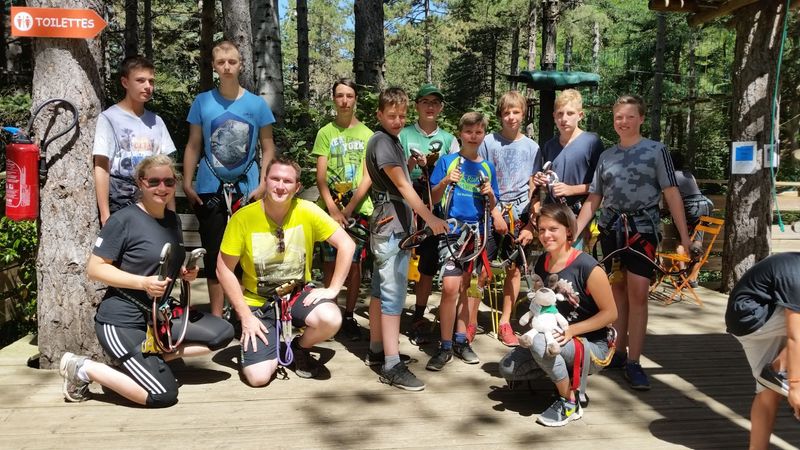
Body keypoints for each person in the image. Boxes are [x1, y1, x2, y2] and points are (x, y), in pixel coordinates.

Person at [59, 155, 234, 407]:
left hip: (158, 317)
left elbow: (163, 261)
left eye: (168, 182)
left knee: (222, 332)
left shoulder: (172, 220)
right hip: (123, 320)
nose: (162, 188)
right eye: (154, 182)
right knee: (162, 395)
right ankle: (83, 368)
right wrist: (143, 283)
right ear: (141, 183)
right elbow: (94, 269)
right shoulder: (123, 220)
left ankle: (148, 357)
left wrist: (184, 271)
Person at [575, 95, 691, 391]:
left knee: (638, 293)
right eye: (618, 117)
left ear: (640, 118)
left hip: (642, 230)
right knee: (616, 292)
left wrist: (684, 237)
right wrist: (573, 232)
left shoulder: (656, 151)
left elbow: (672, 193)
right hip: (612, 230)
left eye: (629, 117)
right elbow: (595, 197)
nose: (623, 122)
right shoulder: (607, 156)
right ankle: (618, 351)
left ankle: (635, 361)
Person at [216, 157, 355, 386]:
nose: (280, 186)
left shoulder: (307, 210)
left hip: (297, 296)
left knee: (331, 318)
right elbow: (223, 269)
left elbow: (347, 245)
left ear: (297, 187)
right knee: (258, 378)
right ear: (265, 181)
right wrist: (245, 316)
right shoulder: (244, 217)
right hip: (258, 302)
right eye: (275, 179)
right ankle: (270, 345)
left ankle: (300, 347)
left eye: (287, 181)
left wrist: (333, 289)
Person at [360, 87, 448, 391]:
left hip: (389, 224)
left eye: (401, 116)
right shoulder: (383, 142)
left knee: (379, 290)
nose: (397, 121)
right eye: (391, 116)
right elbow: (402, 187)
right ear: (379, 115)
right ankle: (392, 363)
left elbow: (395, 178)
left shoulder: (390, 141)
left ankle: (377, 349)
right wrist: (430, 217)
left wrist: (409, 165)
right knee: (393, 294)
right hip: (391, 228)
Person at [499, 203, 617, 426]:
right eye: (542, 229)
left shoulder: (587, 267)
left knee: (539, 344)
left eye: (553, 229)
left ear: (568, 231)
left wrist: (572, 330)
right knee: (507, 367)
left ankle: (569, 401)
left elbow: (611, 314)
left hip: (591, 344)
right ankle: (562, 373)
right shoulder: (542, 264)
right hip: (555, 338)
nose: (546, 235)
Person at [183, 40, 277, 318]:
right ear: (214, 66)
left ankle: (244, 313)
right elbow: (193, 144)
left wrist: (263, 183)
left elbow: (268, 146)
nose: (227, 67)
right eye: (221, 62)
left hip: (247, 188)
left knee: (247, 251)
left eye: (232, 62)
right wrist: (187, 182)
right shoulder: (202, 102)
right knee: (214, 252)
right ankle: (216, 317)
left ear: (240, 64)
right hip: (210, 187)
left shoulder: (256, 105)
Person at [424, 111, 502, 371]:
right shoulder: (448, 162)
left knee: (468, 288)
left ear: (484, 135)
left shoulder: (487, 167)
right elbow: (433, 199)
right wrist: (446, 180)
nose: (473, 136)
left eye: (479, 132)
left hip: (476, 235)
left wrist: (490, 194)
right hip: (451, 233)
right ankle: (445, 345)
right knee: (449, 287)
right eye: (469, 132)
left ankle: (461, 340)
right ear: (460, 134)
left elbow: (493, 204)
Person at [311, 78, 373, 341]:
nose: (345, 101)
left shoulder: (368, 134)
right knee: (329, 261)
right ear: (334, 99)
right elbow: (321, 177)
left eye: (349, 95)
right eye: (340, 96)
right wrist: (333, 209)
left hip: (358, 209)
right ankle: (330, 311)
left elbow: (368, 177)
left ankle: (348, 316)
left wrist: (348, 209)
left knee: (355, 263)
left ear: (355, 98)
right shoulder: (326, 133)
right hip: (330, 209)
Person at [399, 84, 460, 345]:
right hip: (405, 203)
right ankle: (391, 312)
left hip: (435, 205)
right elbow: (395, 170)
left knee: (428, 261)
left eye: (435, 102)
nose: (430, 107)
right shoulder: (403, 134)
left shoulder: (449, 139)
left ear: (441, 107)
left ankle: (419, 315)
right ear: (417, 106)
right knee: (400, 258)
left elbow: (456, 172)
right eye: (425, 101)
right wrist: (413, 163)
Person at [478, 90, 540, 347]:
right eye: (506, 112)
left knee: (514, 270)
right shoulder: (488, 142)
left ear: (523, 114)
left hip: (520, 212)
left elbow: (534, 186)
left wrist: (531, 223)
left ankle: (506, 322)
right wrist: (494, 212)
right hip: (490, 209)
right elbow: (481, 177)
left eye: (516, 112)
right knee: (482, 268)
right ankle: (469, 320)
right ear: (500, 115)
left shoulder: (532, 147)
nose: (511, 117)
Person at [725, 253, 800, 449]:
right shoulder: (797, 273)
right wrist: (795, 386)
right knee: (781, 380)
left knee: (768, 390)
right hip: (753, 315)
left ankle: (757, 448)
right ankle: (776, 370)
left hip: (744, 321)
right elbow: (796, 336)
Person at [92, 55, 177, 226]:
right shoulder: (109, 118)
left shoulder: (157, 122)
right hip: (120, 200)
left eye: (151, 81)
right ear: (125, 82)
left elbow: (167, 170)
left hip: (153, 199)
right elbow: (101, 166)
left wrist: (171, 214)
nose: (147, 86)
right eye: (140, 80)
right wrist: (105, 214)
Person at [531, 89, 603, 249]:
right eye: (560, 114)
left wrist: (571, 190)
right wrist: (542, 181)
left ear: (580, 115)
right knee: (552, 260)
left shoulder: (592, 142)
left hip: (578, 215)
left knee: (571, 259)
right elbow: (549, 181)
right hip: (552, 215)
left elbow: (601, 187)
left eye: (570, 113)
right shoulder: (549, 146)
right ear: (554, 116)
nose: (564, 119)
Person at [670, 151, 713, 288]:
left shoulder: (671, 176)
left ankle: (682, 276)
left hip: (689, 208)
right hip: (704, 207)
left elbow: (671, 197)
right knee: (697, 243)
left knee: (680, 241)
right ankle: (693, 279)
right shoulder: (689, 175)